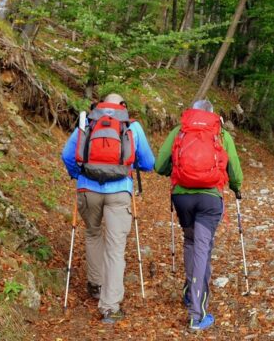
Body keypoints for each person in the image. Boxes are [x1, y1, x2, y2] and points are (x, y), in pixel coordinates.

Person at [61, 93, 155, 323]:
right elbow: (149, 163)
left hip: (88, 189)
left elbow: (67, 155)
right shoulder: (131, 126)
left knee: (93, 233)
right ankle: (110, 307)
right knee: (115, 247)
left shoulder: (87, 122)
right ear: (122, 106)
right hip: (119, 191)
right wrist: (130, 164)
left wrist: (78, 174)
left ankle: (96, 284)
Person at [155, 99, 243, 331]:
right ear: (212, 114)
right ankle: (197, 314)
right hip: (209, 200)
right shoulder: (220, 133)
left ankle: (189, 292)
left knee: (191, 241)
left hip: (182, 198)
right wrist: (236, 187)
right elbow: (234, 170)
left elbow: (160, 165)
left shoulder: (180, 131)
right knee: (202, 249)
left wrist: (177, 172)